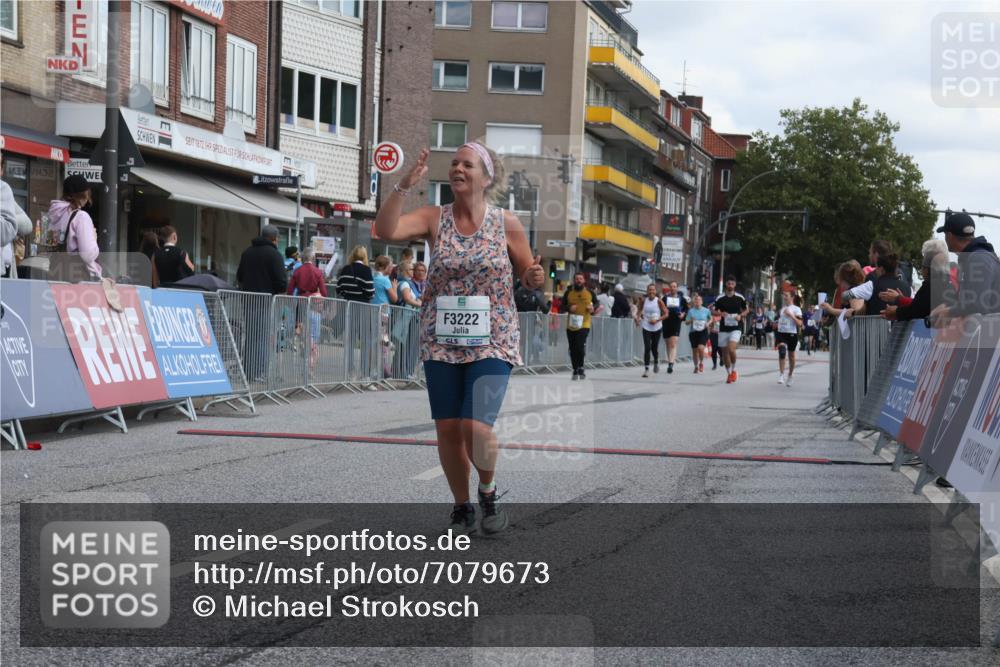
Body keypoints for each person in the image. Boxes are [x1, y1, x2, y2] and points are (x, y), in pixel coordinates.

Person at [373, 142, 543, 535]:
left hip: (493, 337)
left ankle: (487, 490)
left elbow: (528, 272)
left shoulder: (506, 223)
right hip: (441, 337)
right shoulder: (435, 217)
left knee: (476, 425)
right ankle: (462, 506)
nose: (458, 170)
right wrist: (403, 185)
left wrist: (534, 278)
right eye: (453, 164)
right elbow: (386, 230)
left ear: (486, 177)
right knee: (448, 428)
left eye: (467, 164)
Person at [930, 212, 1000, 321]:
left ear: (949, 236)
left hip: (990, 334)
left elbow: (978, 305)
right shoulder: (978, 257)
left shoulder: (978, 259)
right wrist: (949, 307)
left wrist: (948, 312)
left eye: (945, 235)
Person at [45, 174, 101, 282]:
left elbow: (49, 243)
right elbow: (88, 255)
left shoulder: (52, 213)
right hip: (77, 278)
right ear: (84, 194)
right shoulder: (81, 217)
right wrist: (94, 238)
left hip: (55, 273)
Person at [882, 239, 951, 321]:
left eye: (925, 257)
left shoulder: (930, 286)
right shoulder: (948, 284)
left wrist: (896, 311)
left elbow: (917, 310)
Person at [561, 272, 599, 380]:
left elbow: (596, 303)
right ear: (574, 280)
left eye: (580, 279)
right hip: (571, 325)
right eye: (577, 279)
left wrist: (592, 308)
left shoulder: (589, 292)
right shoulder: (569, 292)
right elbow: (562, 306)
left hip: (584, 324)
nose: (578, 281)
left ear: (584, 281)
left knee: (579, 345)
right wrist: (569, 308)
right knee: (572, 348)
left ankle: (581, 367)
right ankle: (575, 369)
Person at [712, 276, 749, 384]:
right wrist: (720, 313)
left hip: (736, 328)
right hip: (723, 328)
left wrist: (740, 316)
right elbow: (713, 311)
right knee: (724, 354)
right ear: (726, 285)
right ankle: (729, 374)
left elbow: (746, 310)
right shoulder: (720, 298)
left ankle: (734, 371)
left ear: (735, 285)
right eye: (729, 284)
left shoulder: (740, 297)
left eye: (732, 284)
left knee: (731, 349)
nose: (730, 285)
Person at [862, 239, 911, 314]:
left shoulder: (872, 278)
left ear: (876, 254)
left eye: (870, 252)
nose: (869, 255)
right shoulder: (904, 281)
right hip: (899, 323)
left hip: (876, 323)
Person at [636, 283, 667, 377]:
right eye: (649, 290)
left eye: (653, 290)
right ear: (647, 291)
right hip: (646, 326)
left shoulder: (659, 301)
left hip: (657, 327)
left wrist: (657, 320)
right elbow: (639, 311)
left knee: (654, 347)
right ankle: (646, 369)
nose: (651, 291)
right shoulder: (644, 301)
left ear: (655, 291)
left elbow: (666, 314)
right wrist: (637, 319)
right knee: (647, 347)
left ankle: (656, 361)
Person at [775, 288, 804, 386]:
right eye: (784, 295)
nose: (784, 297)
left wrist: (791, 315)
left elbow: (800, 323)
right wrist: (776, 324)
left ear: (792, 297)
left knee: (791, 356)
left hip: (792, 334)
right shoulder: (782, 309)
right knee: (782, 352)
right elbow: (781, 321)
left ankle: (790, 375)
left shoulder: (797, 309)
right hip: (781, 333)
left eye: (786, 295)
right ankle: (781, 374)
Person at [660, 281, 689, 374]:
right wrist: (663, 311)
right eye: (671, 286)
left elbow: (686, 309)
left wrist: (683, 315)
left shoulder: (681, 298)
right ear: (669, 288)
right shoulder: (665, 298)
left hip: (676, 321)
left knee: (673, 343)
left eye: (674, 286)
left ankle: (671, 364)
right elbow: (660, 307)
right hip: (666, 321)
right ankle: (670, 360)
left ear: (677, 288)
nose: (673, 288)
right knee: (668, 343)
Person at [685, 293, 712, 373]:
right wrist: (691, 320)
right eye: (695, 300)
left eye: (699, 300)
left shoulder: (706, 310)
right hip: (693, 332)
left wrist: (708, 323)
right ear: (694, 302)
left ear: (702, 302)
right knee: (694, 350)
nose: (697, 301)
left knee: (701, 348)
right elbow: (686, 322)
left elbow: (711, 319)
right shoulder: (691, 311)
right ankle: (696, 366)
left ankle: (701, 363)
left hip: (703, 332)